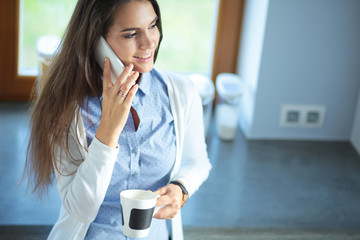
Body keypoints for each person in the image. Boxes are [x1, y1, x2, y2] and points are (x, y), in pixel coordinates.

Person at [24, 0, 211, 239]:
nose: (148, 42)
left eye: (152, 26)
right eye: (131, 34)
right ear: (97, 42)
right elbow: (79, 210)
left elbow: (198, 161)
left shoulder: (182, 92)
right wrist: (108, 132)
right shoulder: (66, 108)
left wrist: (181, 188)